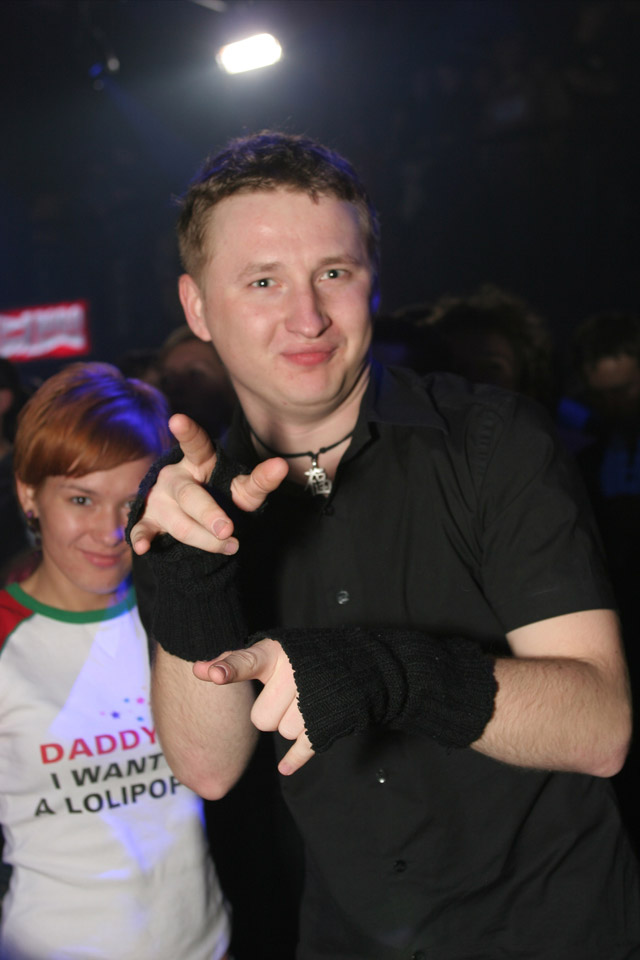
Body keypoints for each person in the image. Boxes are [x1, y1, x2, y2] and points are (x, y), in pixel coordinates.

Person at [128, 132, 640, 959]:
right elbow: (208, 767)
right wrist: (193, 582)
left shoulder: (491, 440)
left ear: (373, 277)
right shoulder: (187, 498)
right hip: (350, 938)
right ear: (196, 307)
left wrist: (386, 674)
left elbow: (600, 727)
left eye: (334, 273)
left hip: (553, 930)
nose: (307, 317)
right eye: (263, 281)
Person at [0, 363, 230, 960]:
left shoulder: (189, 614)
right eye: (81, 499)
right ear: (28, 494)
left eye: (130, 502)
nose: (109, 531)